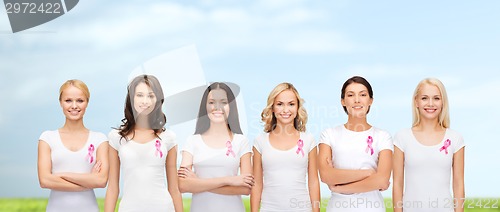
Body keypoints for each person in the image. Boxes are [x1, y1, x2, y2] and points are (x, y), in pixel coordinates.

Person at [104, 75, 183, 212]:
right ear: (131, 98)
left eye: (151, 96)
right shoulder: (116, 137)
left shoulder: (168, 137)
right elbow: (112, 189)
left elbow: (174, 189)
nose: (145, 101)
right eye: (140, 95)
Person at [318, 76, 393, 212]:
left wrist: (339, 187)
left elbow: (382, 180)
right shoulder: (329, 134)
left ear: (370, 100)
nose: (357, 100)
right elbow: (326, 175)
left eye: (363, 95)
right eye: (351, 95)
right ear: (343, 101)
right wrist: (369, 173)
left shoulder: (383, 136)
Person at [178, 82, 253, 212]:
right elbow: (182, 185)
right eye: (212, 102)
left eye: (223, 102)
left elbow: (246, 188)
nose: (217, 107)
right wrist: (229, 180)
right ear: (205, 106)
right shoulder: (192, 141)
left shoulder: (241, 141)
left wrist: (198, 183)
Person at [392, 78, 465, 212]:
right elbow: (397, 184)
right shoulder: (402, 138)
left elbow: (458, 184)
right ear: (416, 102)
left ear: (443, 102)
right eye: (424, 98)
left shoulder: (455, 139)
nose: (430, 103)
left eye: (436, 98)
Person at [37, 79, 109, 212]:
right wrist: (87, 182)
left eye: (80, 100)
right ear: (60, 103)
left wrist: (60, 175)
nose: (74, 106)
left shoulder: (100, 139)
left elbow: (101, 180)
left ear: (87, 102)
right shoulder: (47, 138)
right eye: (68, 100)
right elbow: (44, 180)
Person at [251, 82, 320, 212]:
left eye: (291, 104)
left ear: (298, 107)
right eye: (280, 104)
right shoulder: (260, 142)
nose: (285, 110)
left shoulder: (308, 140)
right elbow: (257, 184)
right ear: (272, 108)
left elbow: (314, 182)